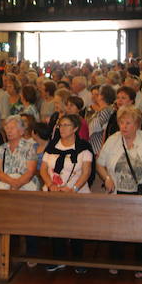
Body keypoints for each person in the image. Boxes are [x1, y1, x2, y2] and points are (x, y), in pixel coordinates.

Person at [97, 105, 142, 276]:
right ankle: (116, 261)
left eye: (128, 123)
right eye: (121, 122)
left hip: (141, 193)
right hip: (118, 193)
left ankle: (141, 264)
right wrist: (107, 178)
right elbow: (100, 164)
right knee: (116, 230)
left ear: (137, 124)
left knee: (141, 230)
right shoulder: (113, 139)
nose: (124, 127)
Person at [39, 114, 93, 272]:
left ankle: (78, 260)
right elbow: (43, 169)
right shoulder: (52, 145)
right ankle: (58, 258)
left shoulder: (83, 147)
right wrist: (50, 184)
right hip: (54, 192)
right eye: (60, 125)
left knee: (76, 227)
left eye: (66, 125)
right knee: (56, 226)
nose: (62, 128)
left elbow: (86, 172)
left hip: (76, 193)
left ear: (75, 128)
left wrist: (73, 189)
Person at [0, 116, 38, 191]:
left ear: (21, 131)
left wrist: (17, 183)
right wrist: (12, 182)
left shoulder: (29, 148)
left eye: (12, 128)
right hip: (5, 182)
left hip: (25, 183)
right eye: (7, 128)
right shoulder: (1, 149)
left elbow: (30, 172)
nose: (9, 131)